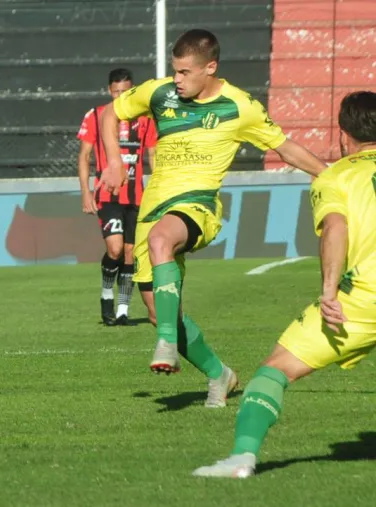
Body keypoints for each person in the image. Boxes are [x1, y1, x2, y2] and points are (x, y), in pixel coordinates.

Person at [97, 29, 326, 407]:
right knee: (158, 312)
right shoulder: (159, 93)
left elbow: (285, 147)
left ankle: (167, 342)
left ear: (211, 67)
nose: (178, 79)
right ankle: (220, 374)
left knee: (160, 242)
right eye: (175, 71)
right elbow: (111, 112)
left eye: (186, 72)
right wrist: (115, 160)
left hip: (197, 206)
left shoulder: (239, 107)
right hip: (153, 210)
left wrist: (330, 173)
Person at [192, 91, 376, 477]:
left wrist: (328, 291)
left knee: (275, 370)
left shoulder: (335, 176)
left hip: (361, 300)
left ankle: (241, 458)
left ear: (344, 134)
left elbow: (336, 229)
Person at [78, 68, 157, 326]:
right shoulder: (97, 115)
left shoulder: (145, 119)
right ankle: (105, 295)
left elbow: (153, 156)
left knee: (130, 253)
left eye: (126, 92)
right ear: (109, 91)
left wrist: (158, 191)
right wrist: (86, 192)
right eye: (116, 92)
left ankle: (123, 309)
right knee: (114, 249)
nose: (121, 96)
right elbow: (84, 156)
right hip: (108, 195)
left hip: (136, 197)